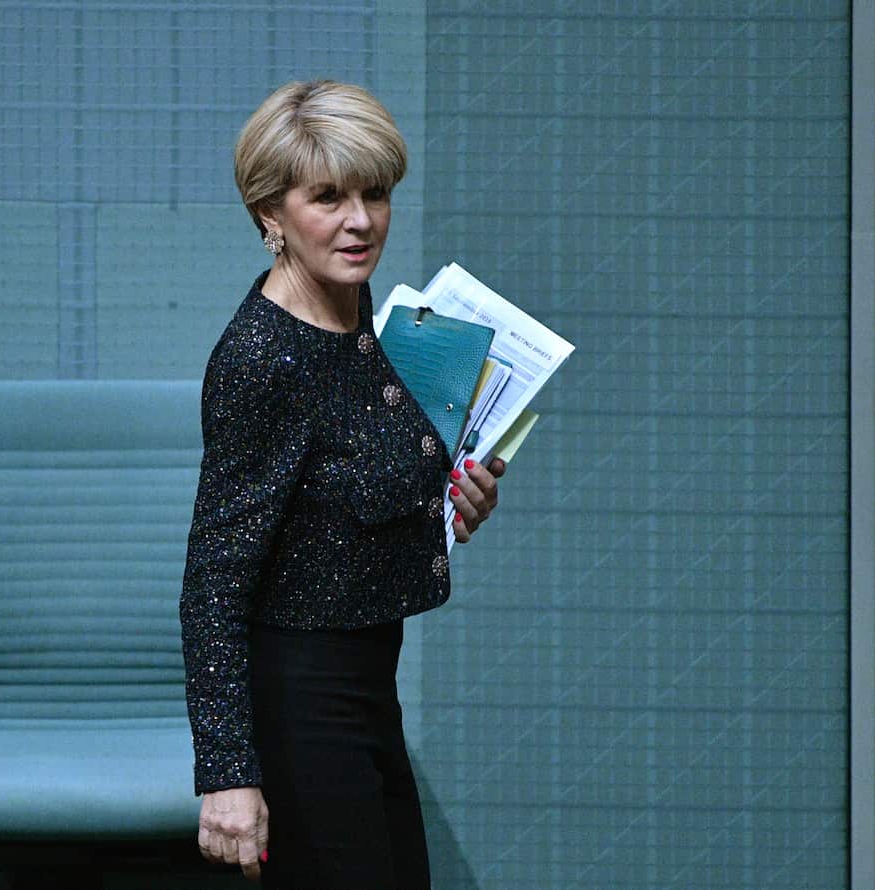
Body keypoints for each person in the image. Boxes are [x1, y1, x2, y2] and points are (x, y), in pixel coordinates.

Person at [179, 80, 505, 889]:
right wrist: (226, 775)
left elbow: (336, 498)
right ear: (270, 214)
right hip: (301, 695)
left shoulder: (356, 313)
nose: (361, 221)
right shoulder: (262, 358)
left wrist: (450, 498)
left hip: (366, 682)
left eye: (376, 193)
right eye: (327, 197)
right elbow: (212, 582)